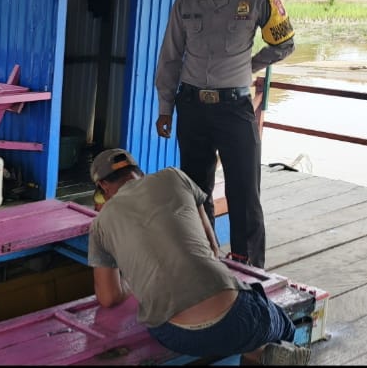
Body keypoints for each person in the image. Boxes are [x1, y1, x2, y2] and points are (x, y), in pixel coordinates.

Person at [87, 148, 311, 365]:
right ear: (139, 172)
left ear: (103, 186)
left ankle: (261, 352)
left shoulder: (100, 223)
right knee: (279, 325)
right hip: (236, 316)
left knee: (243, 333)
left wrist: (135, 280)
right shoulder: (174, 176)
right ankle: (267, 351)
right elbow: (212, 247)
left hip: (174, 333)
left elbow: (108, 297)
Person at [154, 0, 296, 269]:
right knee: (194, 188)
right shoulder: (186, 2)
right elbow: (170, 58)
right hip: (192, 107)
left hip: (235, 108)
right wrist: (165, 108)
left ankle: (248, 268)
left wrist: (251, 66)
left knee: (244, 190)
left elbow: (284, 43)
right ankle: (201, 257)